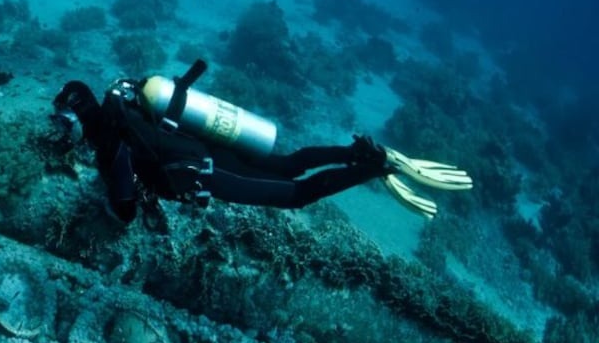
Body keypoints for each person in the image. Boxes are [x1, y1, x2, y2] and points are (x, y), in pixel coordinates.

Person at [51, 60, 472, 224]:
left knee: (296, 195)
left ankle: (375, 168)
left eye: (65, 123)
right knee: (288, 164)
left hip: (207, 172)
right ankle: (354, 152)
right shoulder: (123, 104)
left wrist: (116, 197)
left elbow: (123, 208)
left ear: (77, 117)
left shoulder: (111, 140)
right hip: (211, 151)